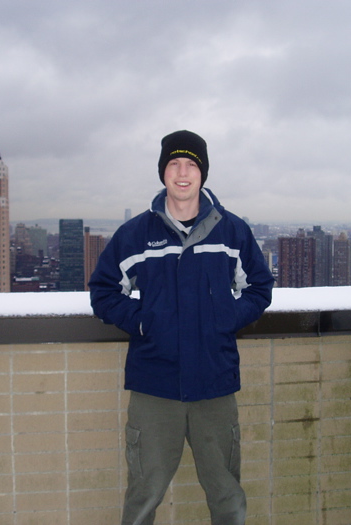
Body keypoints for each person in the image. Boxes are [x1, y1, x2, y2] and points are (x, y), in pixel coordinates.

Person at [89, 130, 274, 525]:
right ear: (163, 173)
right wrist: (143, 322)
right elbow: (103, 292)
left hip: (214, 384)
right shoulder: (136, 235)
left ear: (203, 174)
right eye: (174, 164)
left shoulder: (232, 231)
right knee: (143, 495)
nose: (183, 172)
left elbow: (259, 287)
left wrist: (227, 319)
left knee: (227, 494)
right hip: (155, 385)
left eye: (191, 164)